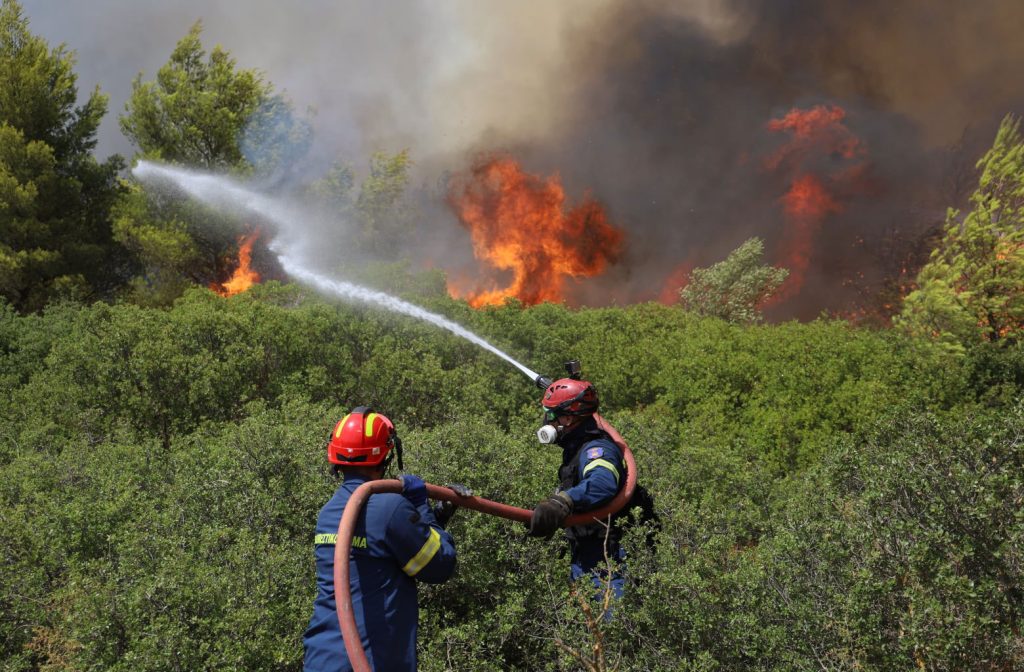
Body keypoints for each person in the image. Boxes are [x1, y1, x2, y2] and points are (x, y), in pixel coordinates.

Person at [303, 406, 461, 672]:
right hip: (371, 661)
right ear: (386, 455)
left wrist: (433, 518)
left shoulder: (328, 511)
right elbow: (440, 566)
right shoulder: (392, 509)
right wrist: (422, 509)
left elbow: (382, 550)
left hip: (322, 658)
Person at [526, 376, 651, 602]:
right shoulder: (577, 448)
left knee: (610, 632)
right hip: (588, 557)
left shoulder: (596, 448)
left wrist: (564, 501)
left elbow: (602, 482)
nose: (547, 422)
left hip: (608, 562)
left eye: (552, 415)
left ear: (568, 417)